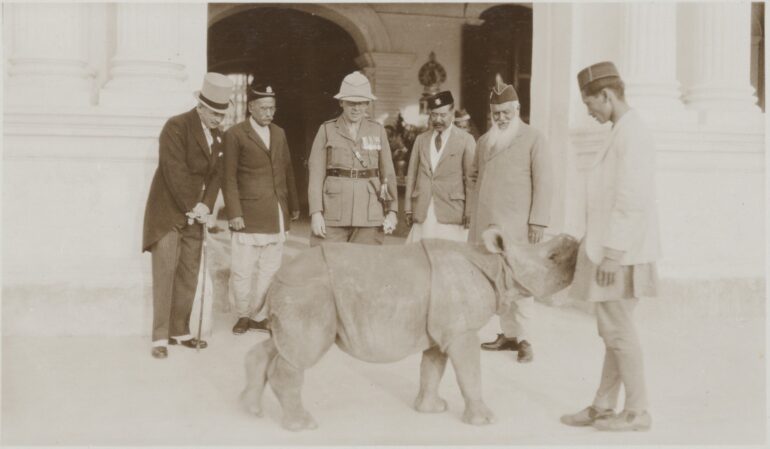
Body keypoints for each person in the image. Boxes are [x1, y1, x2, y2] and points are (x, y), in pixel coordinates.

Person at [560, 61, 660, 432]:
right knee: (614, 331)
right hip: (613, 248)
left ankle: (637, 411)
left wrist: (614, 254)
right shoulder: (621, 131)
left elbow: (631, 199)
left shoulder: (633, 134)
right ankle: (604, 405)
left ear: (607, 95)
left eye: (591, 104)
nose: (589, 112)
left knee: (617, 331)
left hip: (621, 253)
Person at [142, 72, 234, 359]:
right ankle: (159, 337)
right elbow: (173, 170)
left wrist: (206, 205)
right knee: (166, 272)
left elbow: (217, 175)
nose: (219, 119)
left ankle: (180, 330)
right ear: (201, 107)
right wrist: (193, 205)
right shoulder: (176, 126)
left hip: (196, 214)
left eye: (222, 114)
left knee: (189, 273)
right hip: (168, 213)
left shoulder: (218, 137)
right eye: (215, 113)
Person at [467, 75, 552, 363]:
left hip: (518, 229)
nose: (501, 118)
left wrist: (538, 221)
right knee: (497, 282)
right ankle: (509, 334)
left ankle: (526, 339)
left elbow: (544, 182)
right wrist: (474, 216)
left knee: (522, 283)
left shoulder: (533, 138)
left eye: (506, 113)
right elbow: (475, 176)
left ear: (516, 110)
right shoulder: (484, 141)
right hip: (488, 227)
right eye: (496, 114)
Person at [222, 81, 299, 335]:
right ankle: (243, 315)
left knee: (270, 269)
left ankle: (260, 315)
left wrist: (294, 206)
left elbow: (287, 170)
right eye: (264, 108)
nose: (269, 113)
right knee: (243, 269)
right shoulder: (235, 134)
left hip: (276, 213)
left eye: (272, 108)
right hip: (248, 215)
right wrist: (234, 213)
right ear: (251, 108)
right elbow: (229, 177)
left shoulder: (280, 133)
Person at [307, 71, 398, 245]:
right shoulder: (327, 130)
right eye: (351, 103)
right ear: (341, 102)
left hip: (369, 214)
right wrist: (316, 213)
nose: (356, 108)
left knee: (366, 268)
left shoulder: (377, 130)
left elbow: (387, 175)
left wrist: (392, 211)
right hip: (333, 214)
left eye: (361, 103)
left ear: (368, 104)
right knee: (328, 266)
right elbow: (316, 176)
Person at [404, 90, 476, 242]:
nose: (438, 119)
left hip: (450, 211)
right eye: (434, 114)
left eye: (442, 115)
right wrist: (408, 208)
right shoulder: (421, 140)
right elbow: (411, 175)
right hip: (423, 210)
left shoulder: (465, 140)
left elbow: (471, 180)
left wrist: (470, 211)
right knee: (419, 258)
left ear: (452, 114)